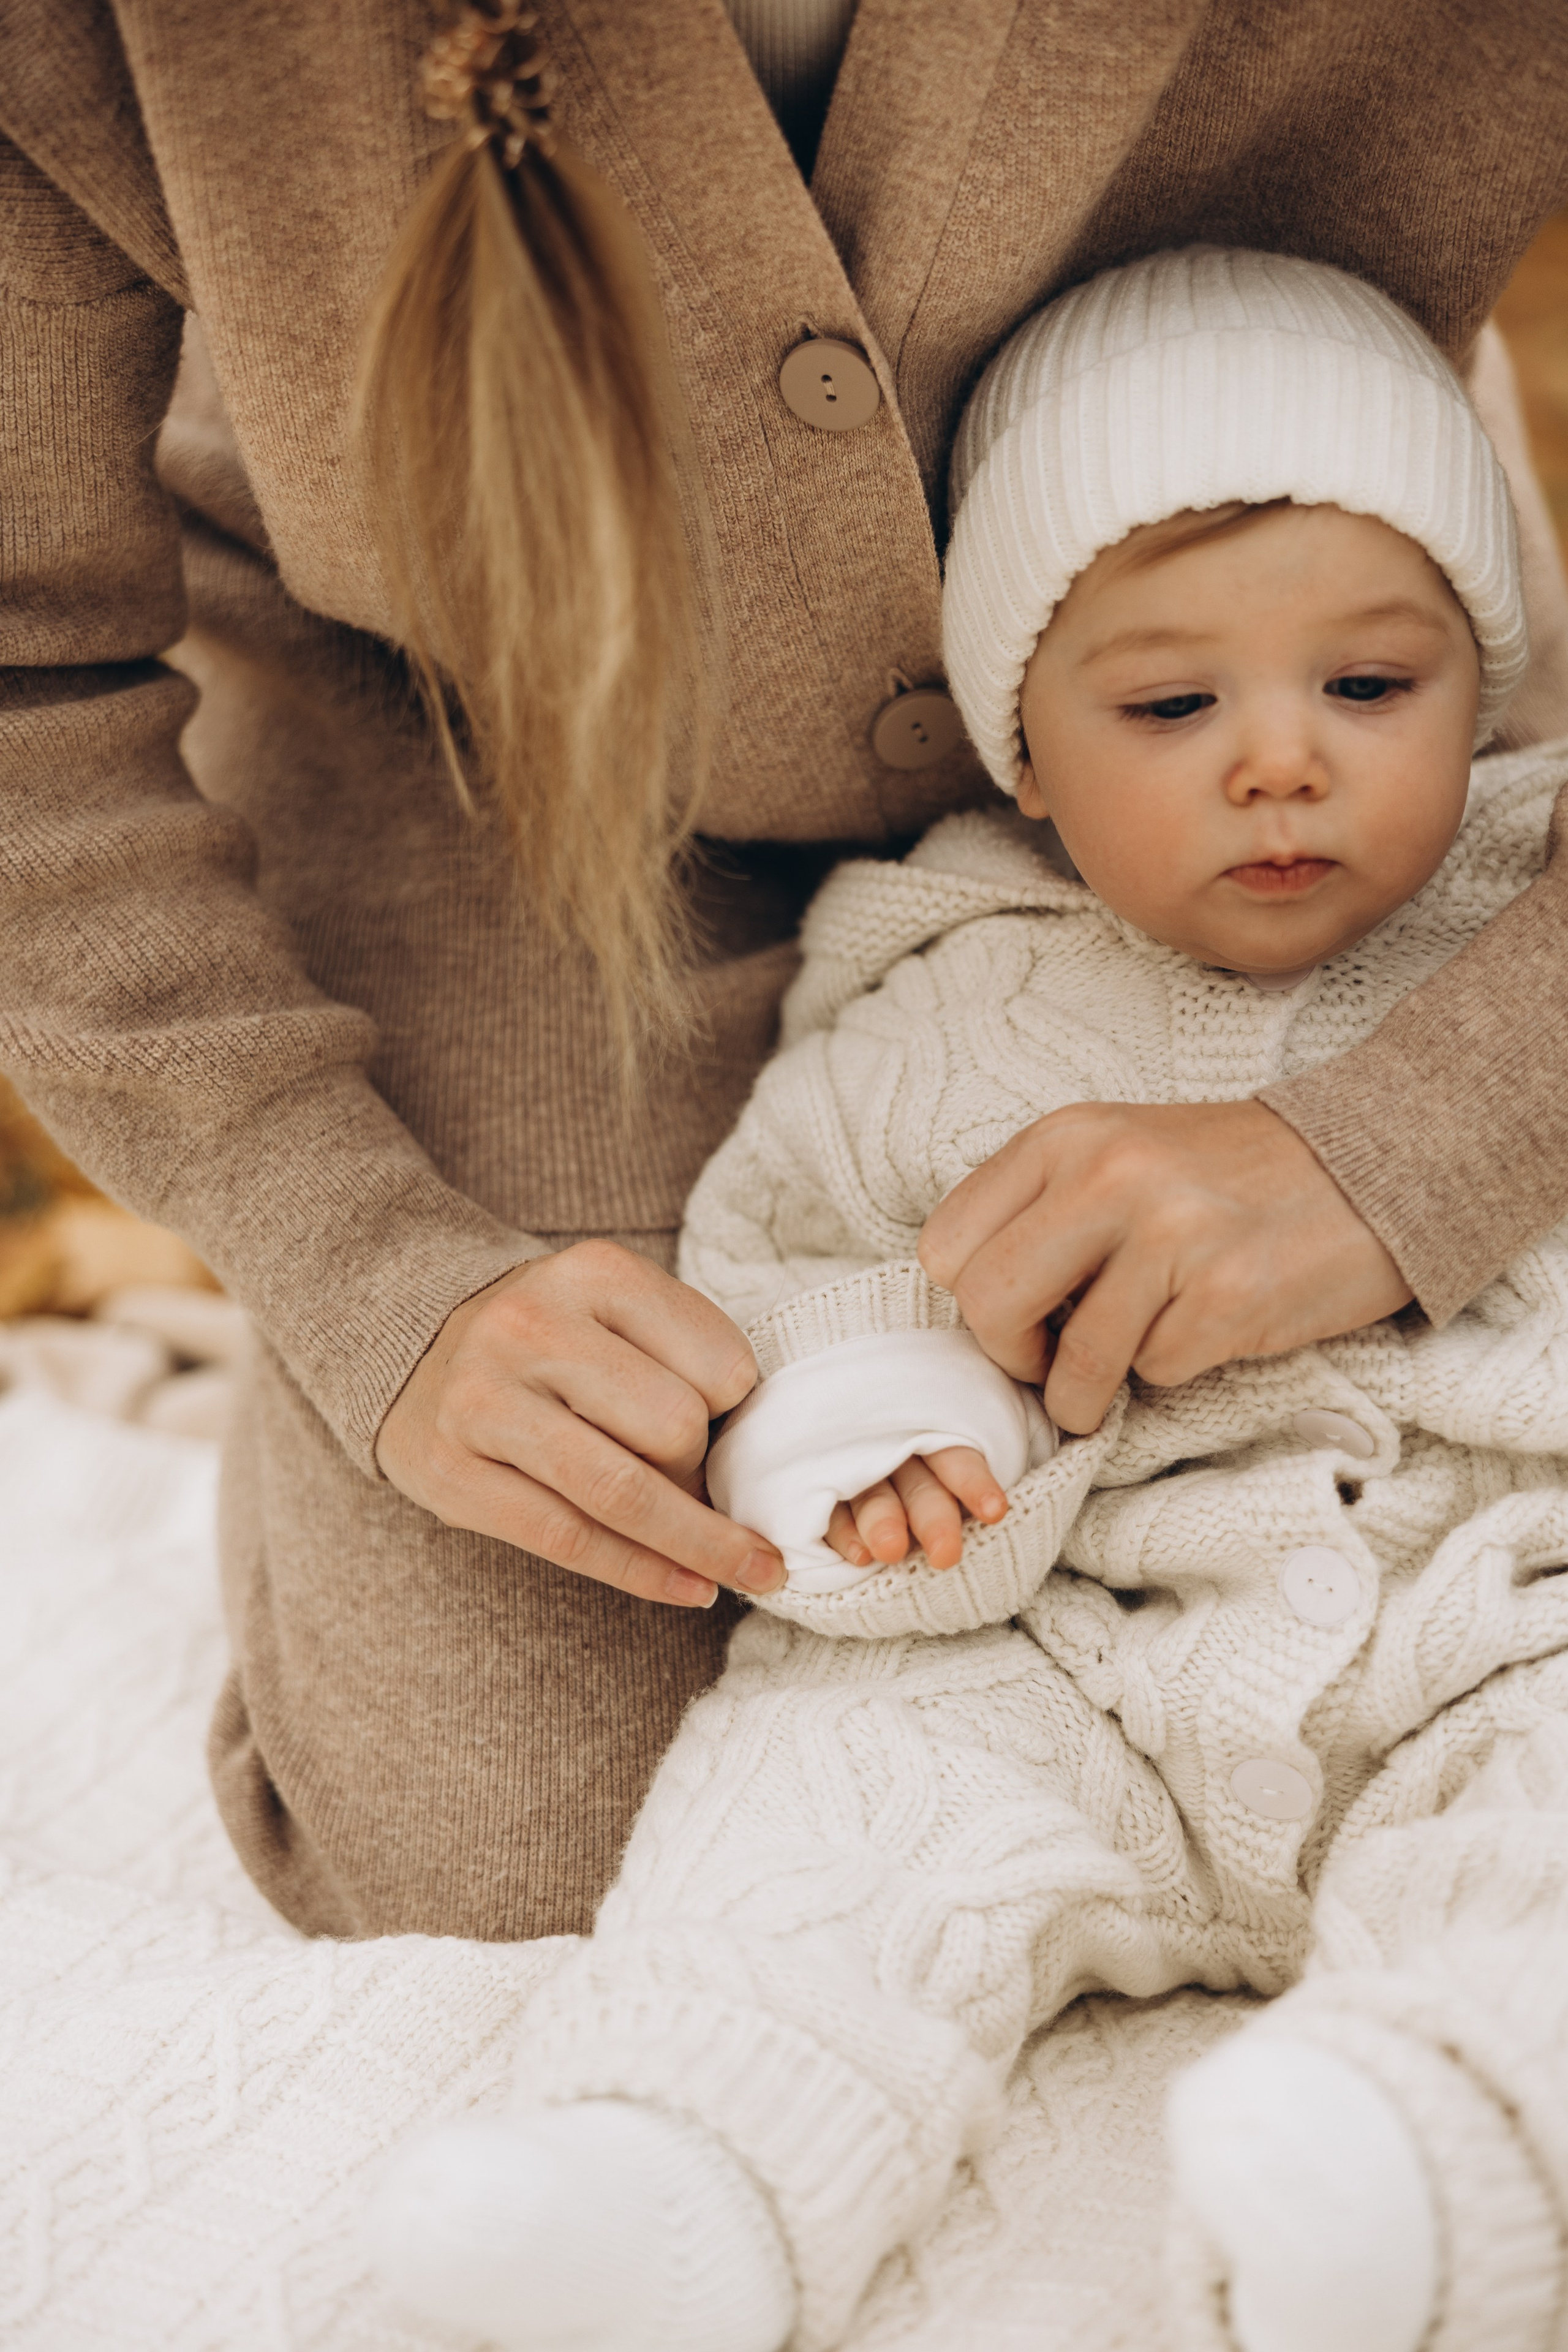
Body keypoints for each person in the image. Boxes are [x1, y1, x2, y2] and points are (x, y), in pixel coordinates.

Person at [1, 2, 1566, 1948]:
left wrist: (1441, 1120)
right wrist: (350, 1257)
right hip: (485, 726)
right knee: (539, 1852)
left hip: (1321, 581)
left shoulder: (1339, 719)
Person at [368, 247, 1568, 2352]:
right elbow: (792, 1288)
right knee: (825, 1798)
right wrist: (872, 1465)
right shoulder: (933, 995)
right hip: (1075, 1656)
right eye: (1174, 707)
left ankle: (1431, 2163)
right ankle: (674, 2165)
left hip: (1498, 1618)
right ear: (1022, 748)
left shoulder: (1529, 908)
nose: (1281, 760)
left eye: (1373, 690)